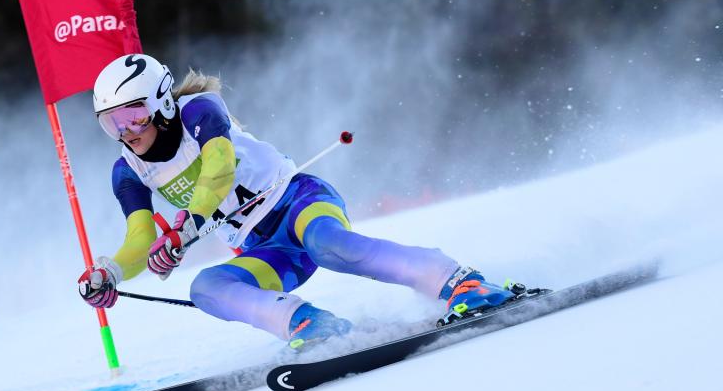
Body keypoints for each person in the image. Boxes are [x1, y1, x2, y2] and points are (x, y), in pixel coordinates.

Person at [77, 53, 515, 350]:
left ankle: (462, 281)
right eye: (110, 123)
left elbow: (220, 169)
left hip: (298, 202)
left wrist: (188, 223)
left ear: (161, 104)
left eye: (132, 115)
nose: (125, 131)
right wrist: (110, 272)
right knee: (206, 288)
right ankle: (312, 326)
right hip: (266, 248)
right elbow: (139, 235)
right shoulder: (127, 170)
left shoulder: (199, 110)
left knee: (330, 245)